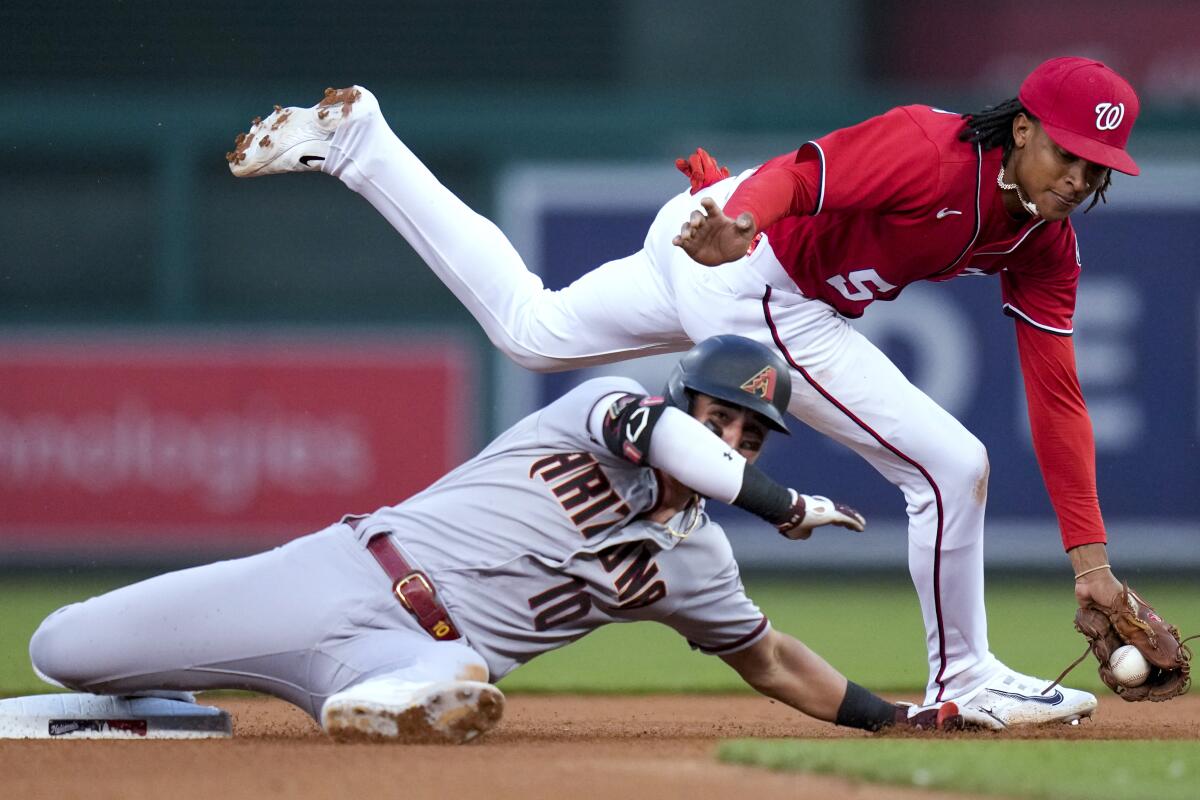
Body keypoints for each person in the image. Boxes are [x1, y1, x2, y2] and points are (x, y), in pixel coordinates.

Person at [222, 56, 1134, 727]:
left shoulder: (1043, 241)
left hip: (717, 247)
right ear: (1021, 127)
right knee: (949, 463)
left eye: (1099, 167)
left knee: (531, 331)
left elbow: (1057, 394)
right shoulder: (932, 152)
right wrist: (741, 221)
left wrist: (1091, 567)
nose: (1080, 177)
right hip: (749, 267)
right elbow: (806, 176)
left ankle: (362, 144)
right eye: (1069, 153)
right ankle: (965, 680)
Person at [13, 336, 964, 742]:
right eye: (723, 420)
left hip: (422, 652)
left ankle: (384, 705)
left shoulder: (699, 559)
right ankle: (173, 700)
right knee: (60, 648)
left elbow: (771, 661)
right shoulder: (604, 409)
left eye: (751, 437)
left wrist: (892, 717)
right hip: (340, 570)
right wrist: (784, 500)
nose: (732, 443)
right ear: (684, 403)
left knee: (461, 683)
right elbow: (671, 443)